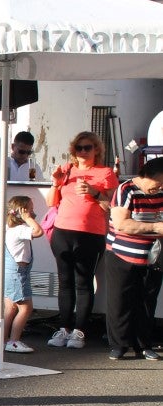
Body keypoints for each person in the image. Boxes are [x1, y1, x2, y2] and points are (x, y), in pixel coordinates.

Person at [47, 132, 118, 350]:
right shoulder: (68, 170)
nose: (83, 152)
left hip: (90, 233)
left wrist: (96, 193)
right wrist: (56, 183)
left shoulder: (104, 173)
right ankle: (64, 328)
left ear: (97, 149)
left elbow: (113, 207)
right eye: (79, 148)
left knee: (84, 282)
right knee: (65, 281)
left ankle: (79, 331)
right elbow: (52, 202)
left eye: (88, 147)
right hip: (63, 230)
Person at [104, 157, 163, 360]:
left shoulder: (161, 191)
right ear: (146, 176)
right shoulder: (126, 190)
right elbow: (122, 224)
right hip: (122, 253)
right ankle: (119, 345)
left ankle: (144, 344)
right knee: (119, 300)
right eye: (158, 183)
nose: (160, 187)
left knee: (147, 301)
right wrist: (156, 227)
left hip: (153, 256)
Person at [0, 196, 43, 353]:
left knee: (10, 308)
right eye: (31, 210)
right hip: (17, 275)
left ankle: (2, 340)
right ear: (22, 212)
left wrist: (1, 246)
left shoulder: (4, 227)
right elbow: (38, 231)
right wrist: (28, 218)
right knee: (25, 308)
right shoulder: (21, 230)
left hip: (6, 272)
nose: (33, 213)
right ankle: (14, 341)